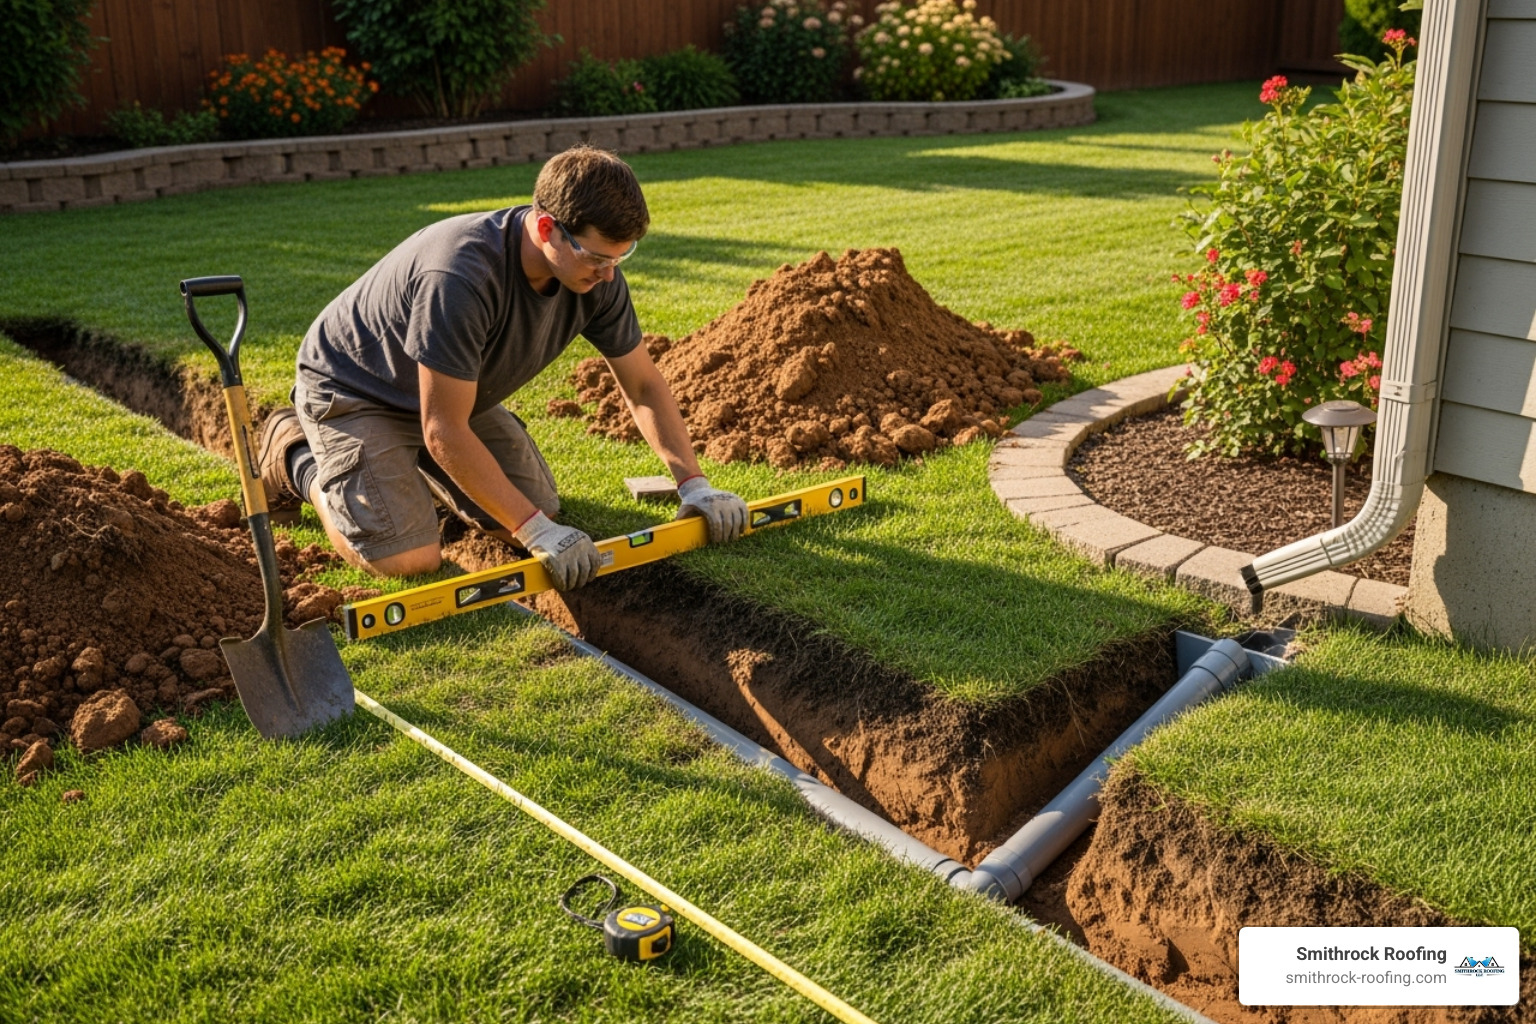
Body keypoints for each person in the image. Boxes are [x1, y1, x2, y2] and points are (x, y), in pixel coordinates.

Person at [256, 144, 748, 589]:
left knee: (543, 508)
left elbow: (642, 384)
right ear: (545, 228)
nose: (609, 274)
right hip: (357, 389)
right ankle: (297, 454)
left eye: (622, 257)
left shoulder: (599, 279)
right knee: (408, 559)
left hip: (452, 394)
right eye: (597, 256)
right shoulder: (459, 277)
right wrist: (534, 530)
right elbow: (443, 429)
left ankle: (402, 470)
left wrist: (694, 485)